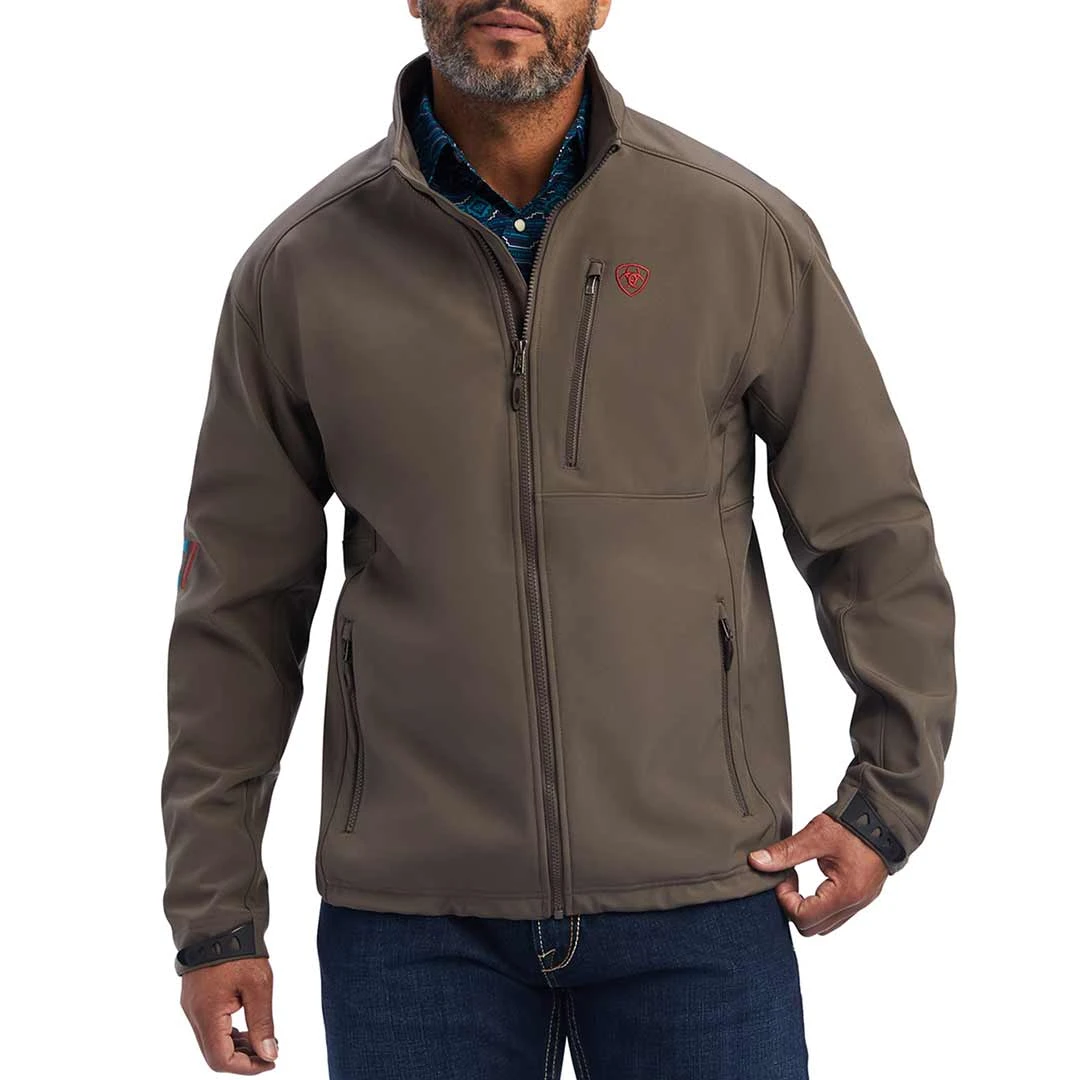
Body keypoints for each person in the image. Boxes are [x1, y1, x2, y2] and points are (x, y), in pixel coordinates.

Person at [161, 2, 957, 1076]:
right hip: (414, 923)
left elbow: (872, 534)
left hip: (702, 897)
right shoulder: (302, 268)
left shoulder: (738, 232)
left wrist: (886, 803)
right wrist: (215, 914)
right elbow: (236, 613)